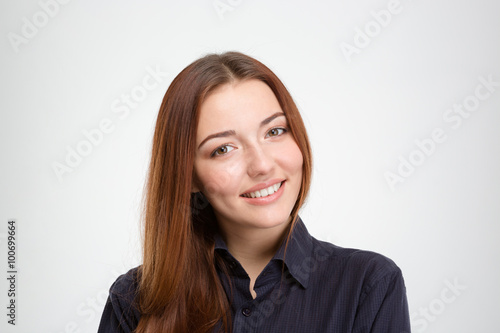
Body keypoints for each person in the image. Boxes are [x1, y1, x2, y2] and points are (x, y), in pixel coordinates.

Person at [98, 51, 411, 333]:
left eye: (274, 131)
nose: (261, 165)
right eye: (223, 149)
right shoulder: (133, 301)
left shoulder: (368, 285)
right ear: (188, 176)